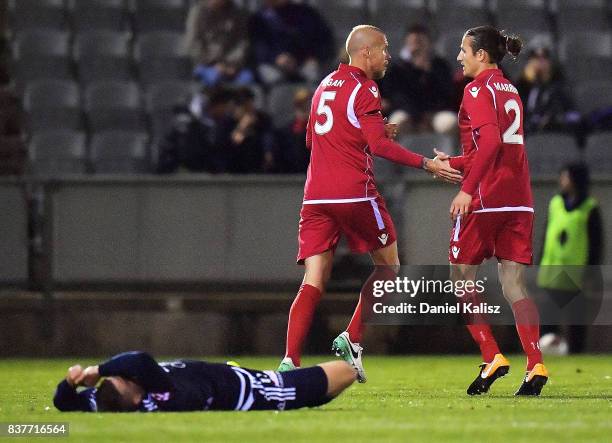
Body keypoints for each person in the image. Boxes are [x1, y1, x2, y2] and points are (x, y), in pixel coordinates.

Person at [277, 25, 462, 382]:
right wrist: (427, 163)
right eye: (384, 49)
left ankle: (289, 361)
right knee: (389, 266)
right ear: (365, 53)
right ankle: (352, 337)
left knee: (313, 280)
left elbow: (314, 141)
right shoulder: (365, 87)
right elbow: (379, 148)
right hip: (355, 194)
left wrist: (369, 130)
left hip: (316, 196)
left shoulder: (324, 85)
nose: (388, 56)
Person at [435, 25, 549, 396]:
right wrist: (452, 161)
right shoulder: (509, 88)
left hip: (487, 199)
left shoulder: (476, 89)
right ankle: (535, 364)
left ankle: (492, 354)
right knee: (514, 285)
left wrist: (467, 190)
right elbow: (491, 147)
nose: (459, 56)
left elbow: (490, 146)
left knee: (460, 279)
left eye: (463, 49)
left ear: (481, 54)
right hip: (519, 198)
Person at [54, 351, 356, 412]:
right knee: (346, 371)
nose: (127, 376)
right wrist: (98, 368)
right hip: (253, 389)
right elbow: (139, 361)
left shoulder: (101, 402)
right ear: (135, 400)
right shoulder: (164, 396)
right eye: (125, 381)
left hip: (222, 374)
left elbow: (63, 402)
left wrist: (71, 383)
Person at [537, 162, 603, 354]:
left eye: (565, 176)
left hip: (576, 274)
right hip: (551, 271)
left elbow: (596, 243)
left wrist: (591, 273)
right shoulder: (556, 203)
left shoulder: (590, 207)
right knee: (548, 320)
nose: (562, 180)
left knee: (576, 322)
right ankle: (546, 356)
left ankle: (575, 354)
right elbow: (547, 235)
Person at [379, 24, 455, 134]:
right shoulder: (396, 67)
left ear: (429, 44)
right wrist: (416, 114)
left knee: (449, 123)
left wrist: (429, 72)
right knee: (397, 123)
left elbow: (447, 93)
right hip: (407, 112)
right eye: (413, 42)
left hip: (434, 113)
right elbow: (394, 96)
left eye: (421, 42)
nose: (417, 46)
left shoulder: (440, 65)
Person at [249, 0, 335, 85]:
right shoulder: (259, 19)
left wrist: (314, 57)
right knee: (269, 75)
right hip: (273, 65)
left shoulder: (307, 13)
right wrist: (276, 58)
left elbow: (325, 41)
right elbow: (258, 47)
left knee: (312, 73)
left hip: (305, 63)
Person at [186, 0, 254, 87]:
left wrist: (229, 64)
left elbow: (242, 43)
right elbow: (193, 43)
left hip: (231, 65)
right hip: (205, 64)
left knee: (246, 79)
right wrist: (214, 64)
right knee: (214, 78)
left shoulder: (237, 13)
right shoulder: (197, 12)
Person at [514, 47, 579, 134]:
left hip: (555, 132)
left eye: (544, 58)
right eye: (535, 58)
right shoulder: (520, 87)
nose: (540, 62)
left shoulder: (558, 87)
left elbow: (571, 113)